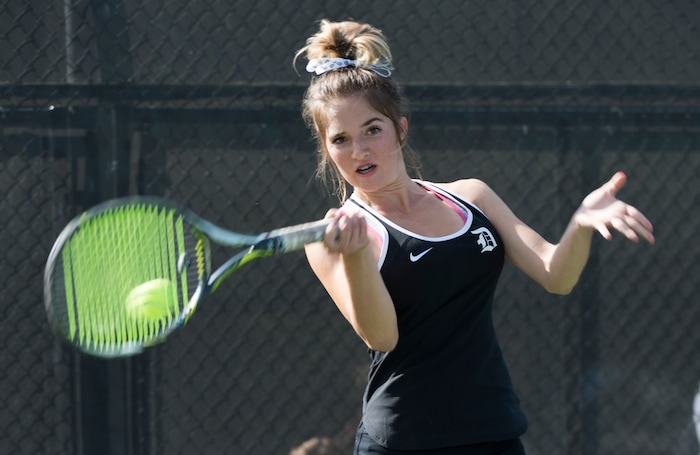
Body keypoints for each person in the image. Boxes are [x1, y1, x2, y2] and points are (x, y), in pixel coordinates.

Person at [296, 19, 655, 455]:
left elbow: (555, 275)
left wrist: (579, 224)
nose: (360, 151)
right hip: (401, 439)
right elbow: (382, 337)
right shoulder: (329, 238)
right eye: (341, 139)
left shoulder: (472, 196)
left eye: (373, 129)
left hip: (492, 430)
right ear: (326, 148)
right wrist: (354, 256)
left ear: (401, 129)